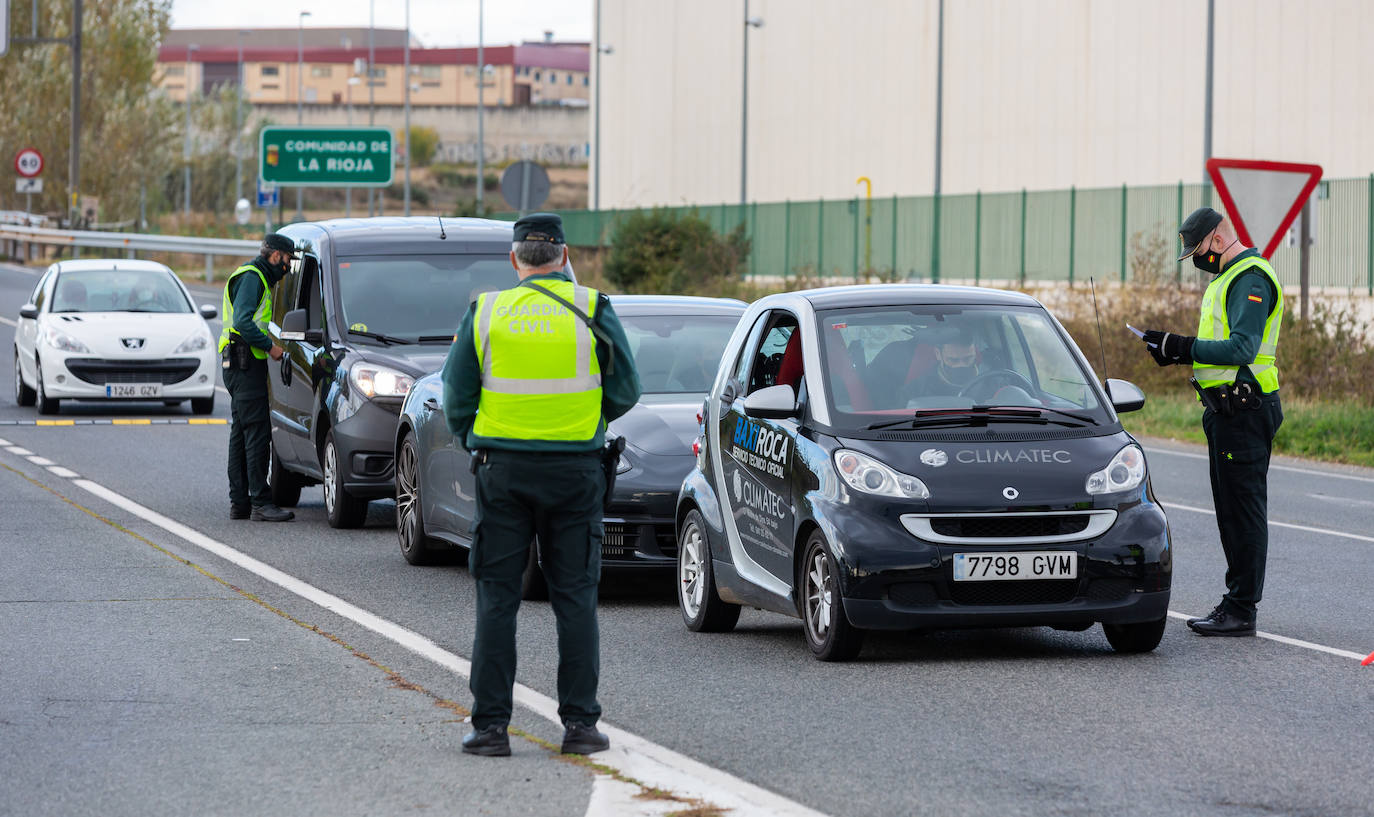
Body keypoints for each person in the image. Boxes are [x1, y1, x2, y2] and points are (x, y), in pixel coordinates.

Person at [440, 213, 641, 757]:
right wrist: (584, 422)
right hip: (576, 472)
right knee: (575, 598)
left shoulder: (486, 311)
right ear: (564, 255)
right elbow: (627, 390)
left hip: (502, 472)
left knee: (497, 599)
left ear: (514, 259)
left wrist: (478, 441)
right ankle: (580, 727)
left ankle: (489, 730)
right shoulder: (594, 307)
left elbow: (455, 397)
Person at [1139, 206, 1284, 637]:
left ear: (1217, 241)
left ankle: (1241, 609)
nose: (1197, 261)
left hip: (1244, 409)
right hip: (1226, 411)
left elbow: (1241, 348)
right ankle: (1237, 604)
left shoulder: (1249, 279)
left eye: (1198, 251)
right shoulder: (1227, 278)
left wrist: (1181, 347)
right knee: (1231, 510)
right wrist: (1171, 350)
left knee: (1242, 513)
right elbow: (1218, 345)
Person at [219, 234, 297, 523]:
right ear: (275, 255)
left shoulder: (253, 276)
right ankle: (261, 503)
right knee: (256, 434)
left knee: (241, 433)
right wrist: (271, 348)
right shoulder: (253, 278)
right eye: (287, 260)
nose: (287, 268)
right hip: (245, 363)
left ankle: (240, 504)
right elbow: (242, 323)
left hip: (239, 364)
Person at [907, 329, 981, 399]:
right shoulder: (917, 390)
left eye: (968, 358)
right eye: (953, 360)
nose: (961, 365)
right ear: (938, 354)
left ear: (975, 352)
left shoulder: (990, 379)